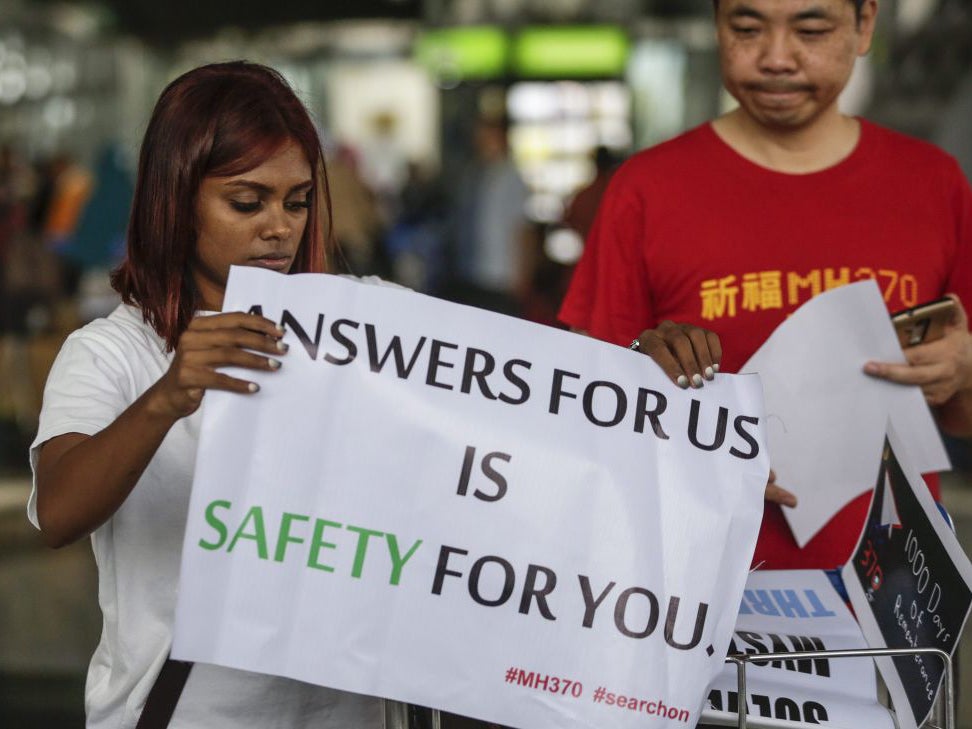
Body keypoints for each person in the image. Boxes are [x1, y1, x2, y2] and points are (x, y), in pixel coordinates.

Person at [28, 62, 383, 729]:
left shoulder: (367, 328)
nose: (279, 226)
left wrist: (631, 376)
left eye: (298, 200)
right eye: (247, 202)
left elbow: (509, 392)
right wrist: (169, 396)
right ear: (177, 200)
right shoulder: (114, 354)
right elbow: (57, 512)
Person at [559, 0, 972, 571]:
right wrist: (640, 369)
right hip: (693, 591)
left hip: (895, 604)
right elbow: (583, 418)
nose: (776, 58)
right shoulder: (646, 191)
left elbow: (963, 412)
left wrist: (963, 371)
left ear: (865, 25)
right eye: (747, 29)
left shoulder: (933, 184)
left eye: (811, 29)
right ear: (717, 25)